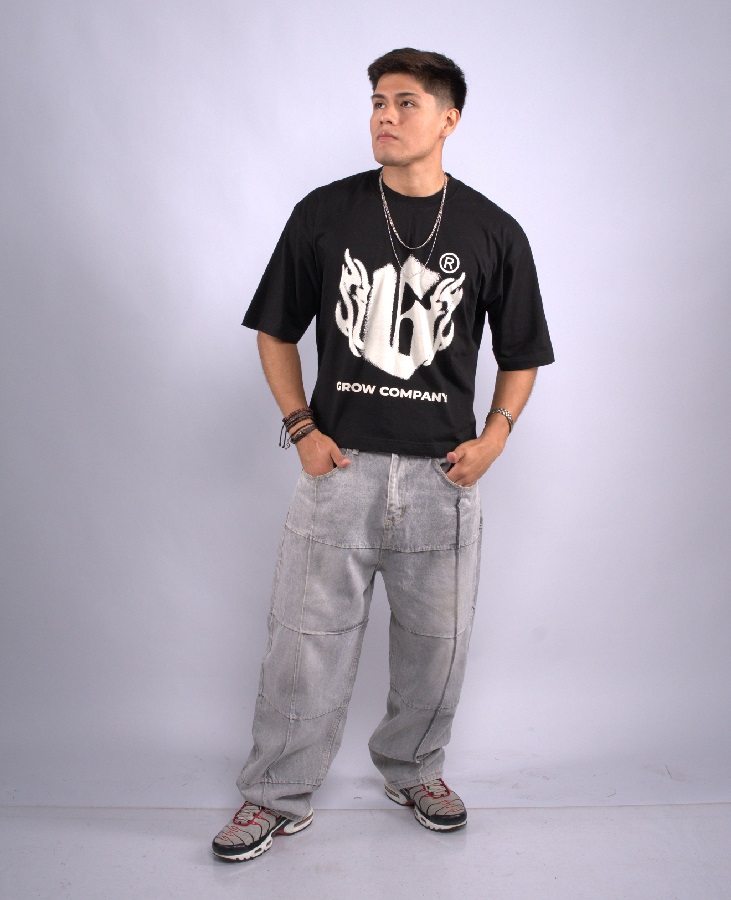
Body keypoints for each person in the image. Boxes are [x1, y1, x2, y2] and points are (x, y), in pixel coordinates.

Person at [212, 47, 554, 862]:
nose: (384, 116)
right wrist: (302, 428)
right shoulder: (325, 213)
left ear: (448, 119)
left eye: (405, 102)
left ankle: (414, 770)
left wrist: (496, 437)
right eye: (376, 101)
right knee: (303, 645)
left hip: (444, 476)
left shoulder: (492, 230)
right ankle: (275, 794)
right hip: (338, 471)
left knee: (437, 647)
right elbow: (274, 330)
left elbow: (522, 353)